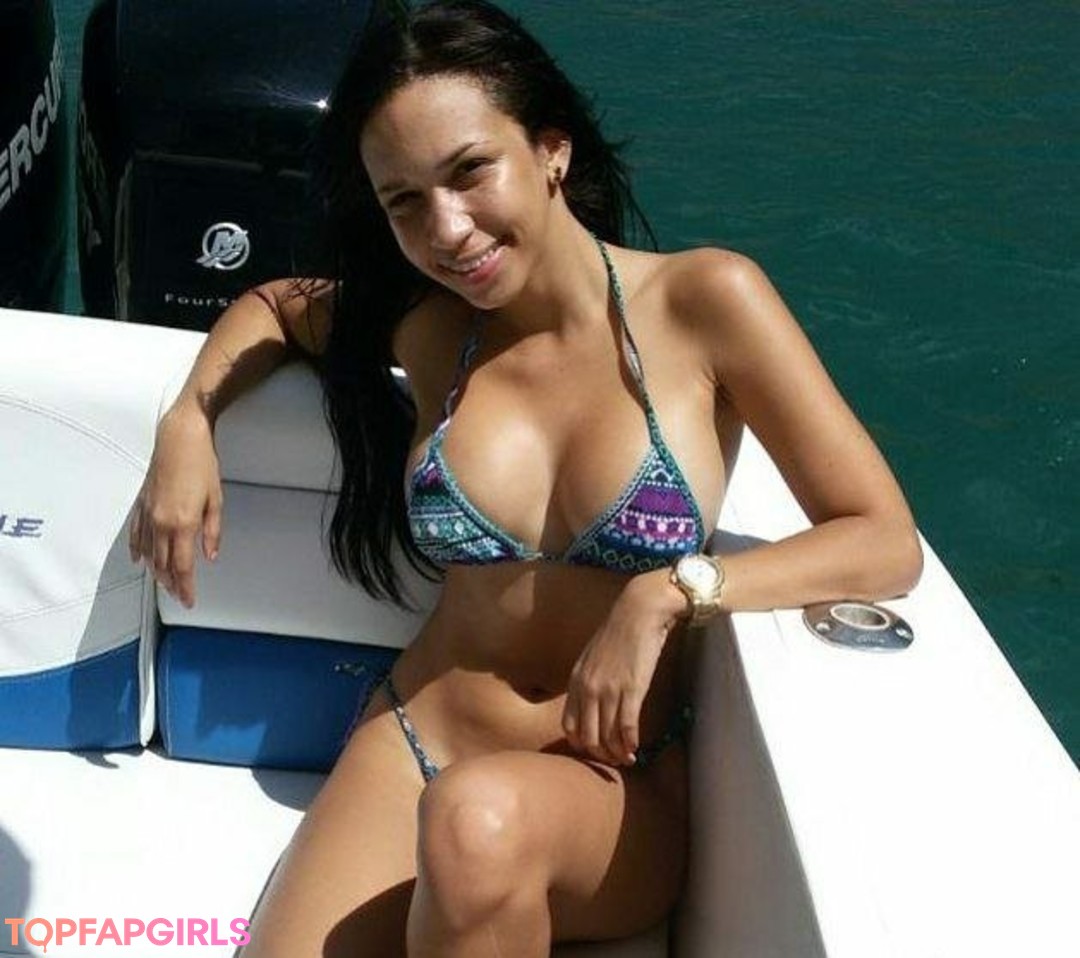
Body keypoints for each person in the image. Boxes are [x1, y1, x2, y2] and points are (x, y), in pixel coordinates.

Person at [129, 1, 923, 955]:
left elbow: (883, 540)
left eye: (470, 171)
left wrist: (674, 591)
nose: (448, 230)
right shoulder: (432, 332)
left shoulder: (705, 302)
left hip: (613, 781)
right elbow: (277, 305)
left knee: (478, 824)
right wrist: (190, 419)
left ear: (551, 150)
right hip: (419, 736)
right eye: (404, 202)